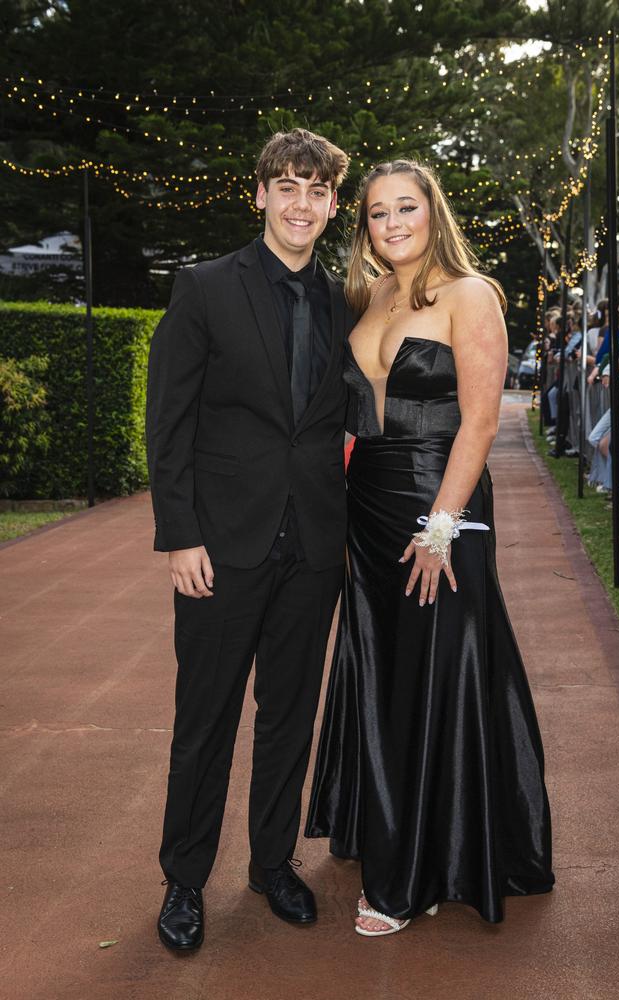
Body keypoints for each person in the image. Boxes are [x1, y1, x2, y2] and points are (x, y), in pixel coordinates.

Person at [305, 159, 555, 935]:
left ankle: (420, 870)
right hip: (370, 506)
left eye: (405, 207)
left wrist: (441, 529)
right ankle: (383, 816)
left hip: (437, 506)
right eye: (377, 214)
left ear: (432, 210)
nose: (392, 224)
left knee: (443, 663)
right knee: (386, 665)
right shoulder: (370, 293)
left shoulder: (471, 293)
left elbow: (481, 421)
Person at [146, 128, 352, 951]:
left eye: (318, 191)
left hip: (312, 548)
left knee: (289, 718)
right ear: (259, 193)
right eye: (289, 187)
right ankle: (183, 882)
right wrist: (179, 535)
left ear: (333, 205)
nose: (302, 203)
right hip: (219, 548)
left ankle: (272, 866)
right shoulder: (202, 287)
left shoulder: (346, 298)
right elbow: (170, 423)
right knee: (204, 721)